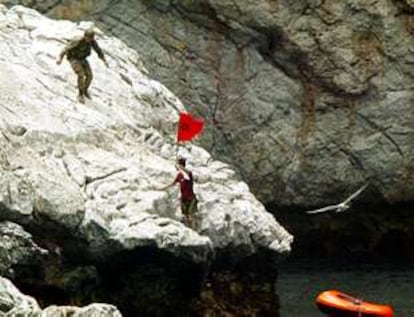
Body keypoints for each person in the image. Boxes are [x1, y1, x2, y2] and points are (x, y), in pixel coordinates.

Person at [56, 28, 109, 103]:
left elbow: (98, 50)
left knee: (90, 75)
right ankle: (80, 94)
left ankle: (85, 90)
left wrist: (104, 60)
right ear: (85, 36)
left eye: (91, 38)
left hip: (82, 58)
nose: (89, 40)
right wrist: (60, 59)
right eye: (88, 38)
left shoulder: (92, 42)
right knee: (81, 75)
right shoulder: (77, 41)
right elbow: (65, 49)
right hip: (73, 58)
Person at [160, 158, 198, 227]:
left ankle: (192, 227)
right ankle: (188, 227)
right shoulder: (179, 175)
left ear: (181, 165)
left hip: (190, 197)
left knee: (189, 214)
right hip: (183, 198)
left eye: (177, 165)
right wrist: (162, 188)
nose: (176, 167)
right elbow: (173, 183)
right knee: (184, 214)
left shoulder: (188, 174)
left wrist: (181, 167)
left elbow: (188, 173)